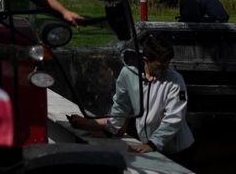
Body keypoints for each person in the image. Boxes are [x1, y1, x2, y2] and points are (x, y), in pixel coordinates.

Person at [68, 33, 194, 161]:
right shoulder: (128, 74)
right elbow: (121, 109)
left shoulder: (176, 80)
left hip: (177, 150)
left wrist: (153, 143)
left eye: (168, 64)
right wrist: (104, 130)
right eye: (160, 65)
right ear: (145, 60)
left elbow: (174, 119)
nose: (166, 69)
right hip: (149, 145)